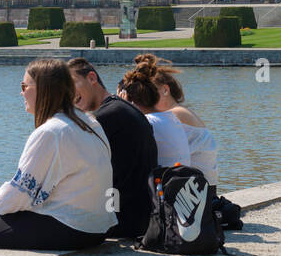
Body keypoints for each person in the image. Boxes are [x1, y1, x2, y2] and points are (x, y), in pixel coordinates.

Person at [0, 59, 115, 255]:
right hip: (98, 228)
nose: (21, 92)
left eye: (24, 86)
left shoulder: (51, 132)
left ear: (43, 89)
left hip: (73, 227)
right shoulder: (89, 122)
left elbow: (18, 194)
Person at [67, 56, 158, 239]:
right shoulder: (122, 109)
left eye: (72, 84)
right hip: (141, 216)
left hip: (121, 222)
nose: (68, 94)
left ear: (92, 78)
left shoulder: (103, 119)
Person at [144, 54, 220, 189]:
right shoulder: (180, 111)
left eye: (149, 92)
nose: (146, 98)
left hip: (198, 191)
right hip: (203, 188)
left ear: (165, 90)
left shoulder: (175, 114)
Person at [119, 55, 191, 169]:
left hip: (161, 184)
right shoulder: (172, 119)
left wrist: (122, 108)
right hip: (177, 183)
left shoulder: (147, 123)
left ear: (129, 98)